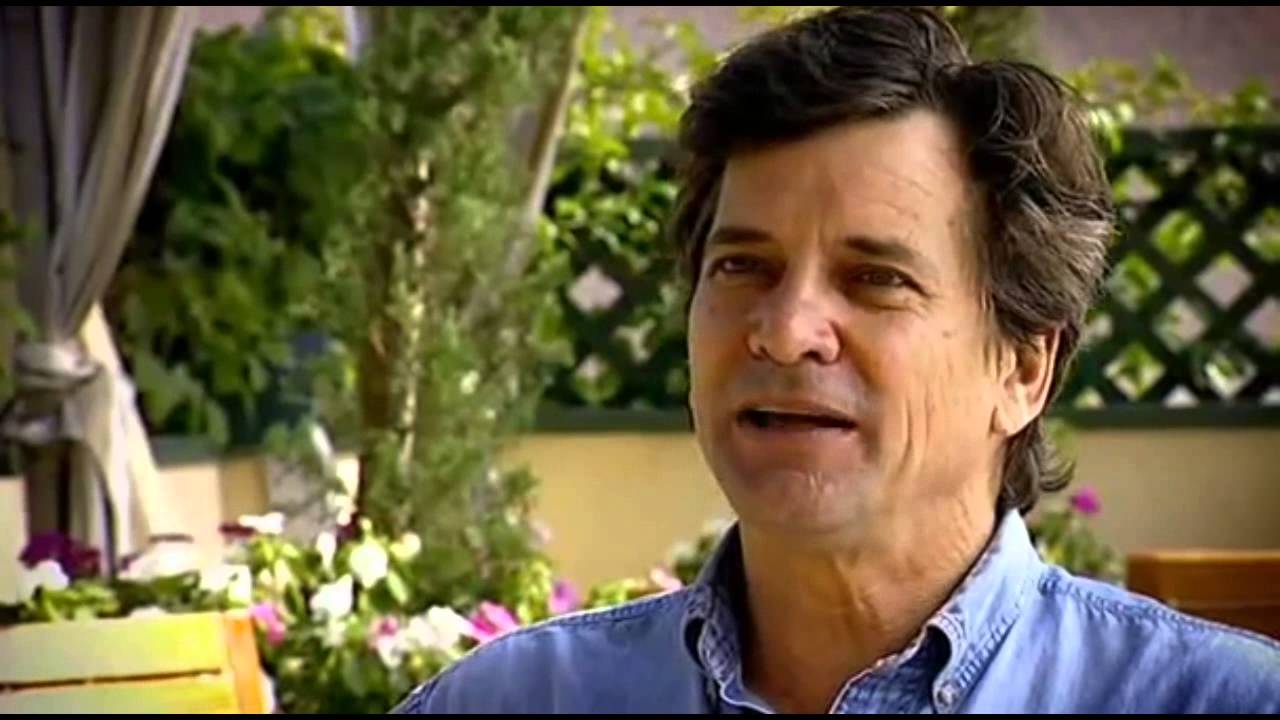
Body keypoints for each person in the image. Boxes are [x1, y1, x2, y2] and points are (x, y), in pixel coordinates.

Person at [394, 6, 1280, 713]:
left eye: (875, 279)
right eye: (743, 266)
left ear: (1022, 369)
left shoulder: (1217, 700)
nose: (786, 331)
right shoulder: (513, 700)